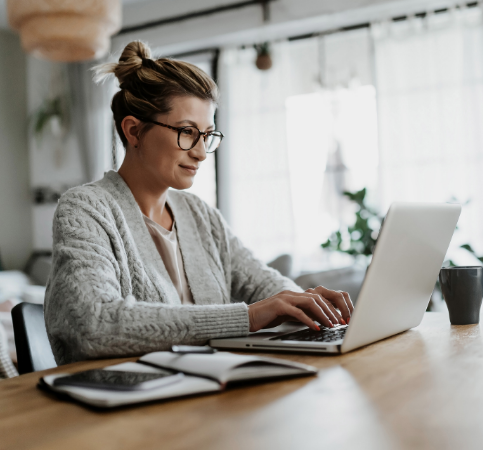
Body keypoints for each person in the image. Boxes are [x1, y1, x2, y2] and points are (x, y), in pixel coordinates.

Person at [44, 41, 354, 365]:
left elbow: (263, 284)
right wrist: (247, 318)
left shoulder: (200, 215)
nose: (201, 152)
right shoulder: (86, 209)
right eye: (188, 132)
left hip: (207, 391)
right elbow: (94, 323)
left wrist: (306, 304)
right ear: (134, 131)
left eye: (207, 135)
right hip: (123, 402)